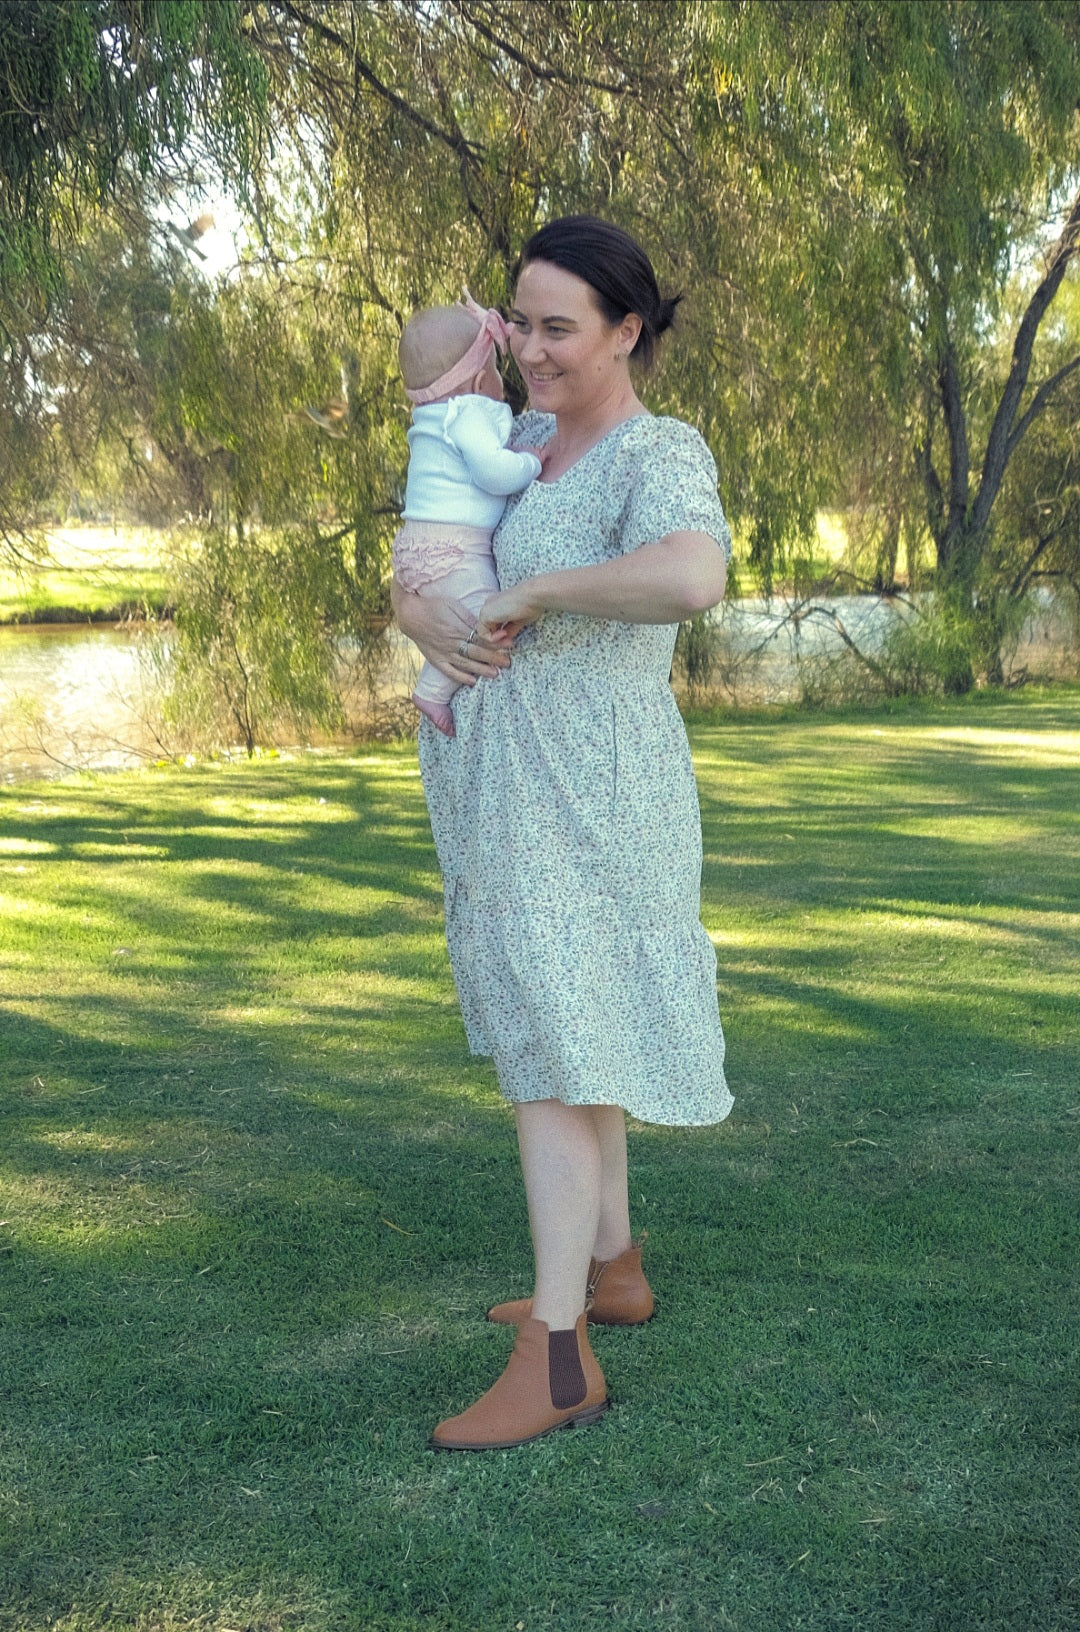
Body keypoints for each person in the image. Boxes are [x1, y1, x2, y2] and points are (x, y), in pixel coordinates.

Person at [392, 215, 734, 1451]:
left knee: (553, 1047)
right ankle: (613, 1268)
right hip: (503, 786)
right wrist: (424, 617)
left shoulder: (659, 450)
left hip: (596, 798)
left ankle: (556, 1356)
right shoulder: (517, 437)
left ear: (625, 329)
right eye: (518, 323)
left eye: (557, 328)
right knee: (566, 1028)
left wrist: (534, 590)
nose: (529, 350)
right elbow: (426, 548)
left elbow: (694, 575)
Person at [393, 292, 544, 735]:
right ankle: (432, 692)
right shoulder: (470, 412)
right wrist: (530, 462)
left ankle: (433, 688)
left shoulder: (430, 420)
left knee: (471, 621)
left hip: (418, 548)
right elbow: (494, 471)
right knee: (487, 622)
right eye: (497, 373)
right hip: (455, 549)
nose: (503, 383)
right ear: (481, 384)